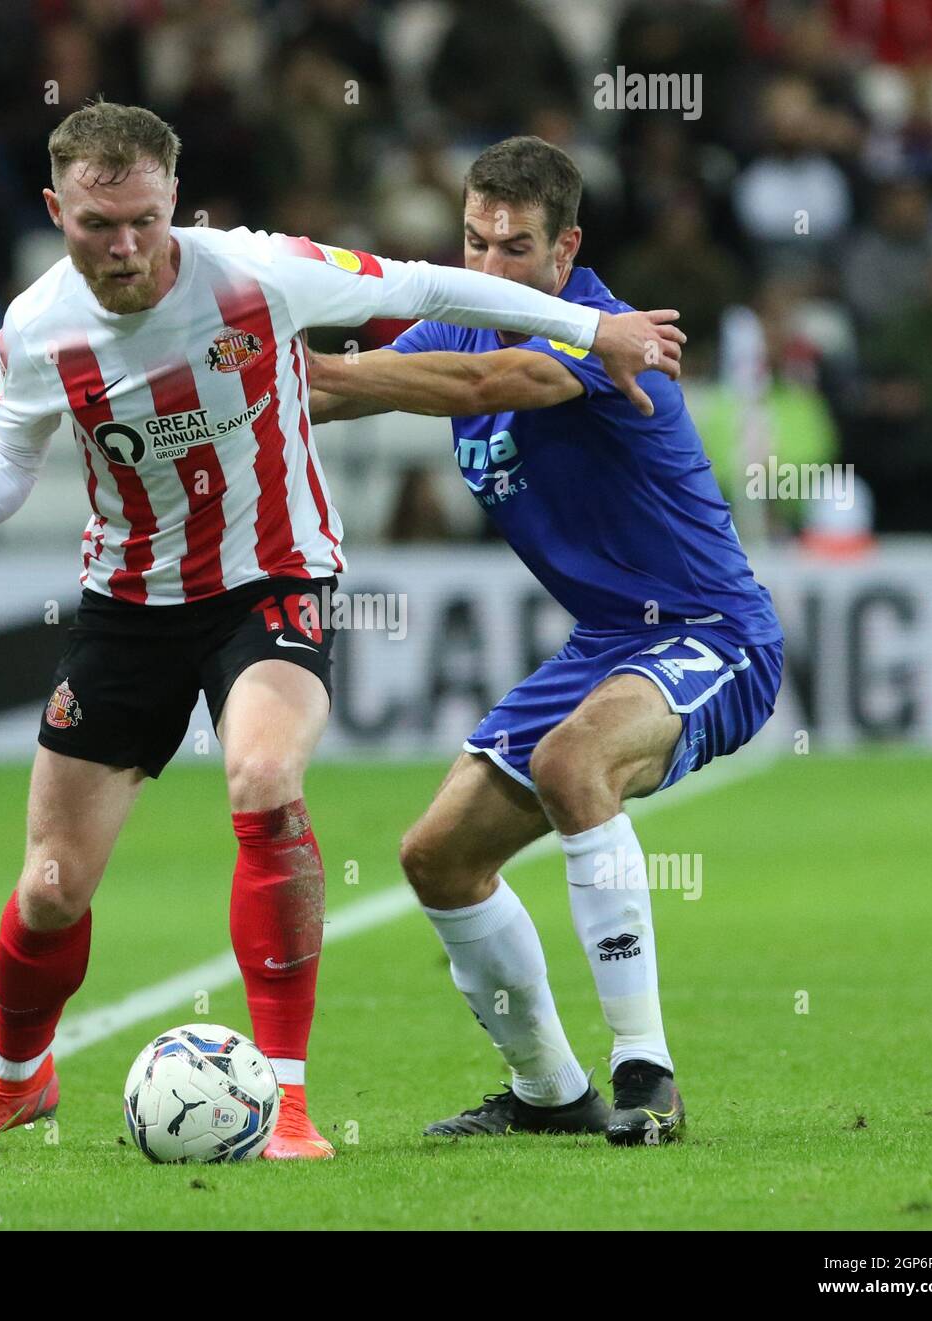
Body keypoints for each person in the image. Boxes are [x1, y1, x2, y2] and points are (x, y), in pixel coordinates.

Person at [0, 102, 684, 1159]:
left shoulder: (256, 271)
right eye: (97, 226)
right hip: (129, 603)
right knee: (50, 887)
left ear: (173, 198)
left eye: (142, 219)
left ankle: (285, 1099)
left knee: (262, 779)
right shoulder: (38, 326)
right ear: (56, 209)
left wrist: (596, 328)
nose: (125, 247)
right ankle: (13, 1078)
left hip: (272, 577)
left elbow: (425, 284)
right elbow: (10, 448)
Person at [306, 135, 782, 1145]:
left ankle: (644, 1074)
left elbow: (488, 388)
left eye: (514, 249)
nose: (487, 269)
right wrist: (207, 397)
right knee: (437, 857)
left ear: (565, 251)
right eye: (472, 244)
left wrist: (329, 370)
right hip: (608, 641)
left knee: (572, 761)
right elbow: (341, 389)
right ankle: (550, 1093)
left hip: (710, 631)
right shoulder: (464, 325)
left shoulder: (601, 331)